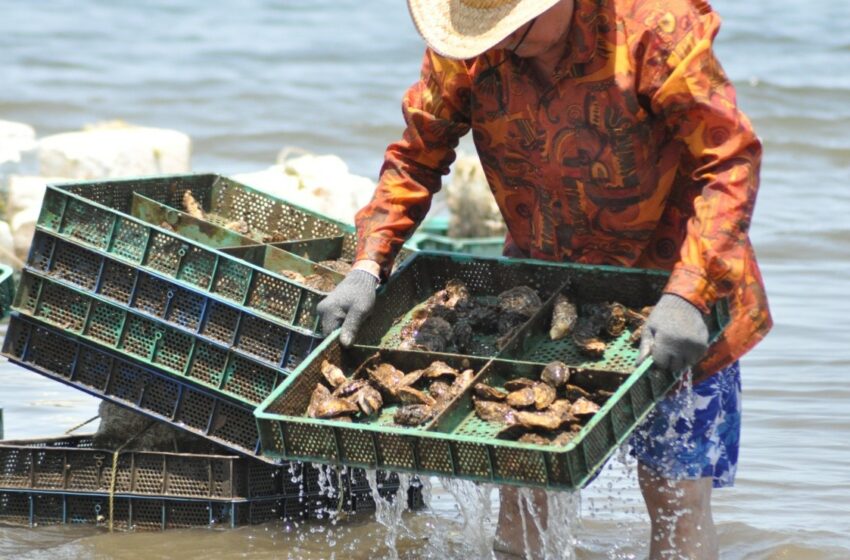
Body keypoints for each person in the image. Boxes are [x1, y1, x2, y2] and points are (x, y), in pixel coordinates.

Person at [317, 0, 772, 557]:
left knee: (675, 501)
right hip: (543, 293)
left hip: (677, 296)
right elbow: (416, 157)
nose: (501, 44)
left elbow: (728, 160)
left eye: (516, 28)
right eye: (489, 33)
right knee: (523, 494)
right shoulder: (470, 44)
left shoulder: (655, 26)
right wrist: (368, 266)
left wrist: (689, 292)